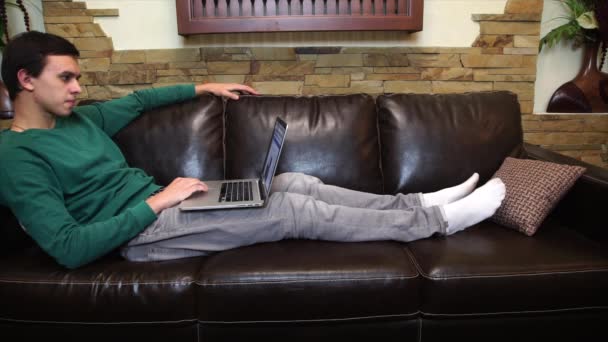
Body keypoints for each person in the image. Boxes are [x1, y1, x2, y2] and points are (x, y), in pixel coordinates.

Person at [0, 31, 506, 269]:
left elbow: (139, 99)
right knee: (289, 208)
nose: (76, 88)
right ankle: (438, 224)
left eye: (78, 78)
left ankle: (422, 202)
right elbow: (69, 248)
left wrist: (205, 87)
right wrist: (157, 200)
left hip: (167, 204)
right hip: (143, 232)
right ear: (25, 80)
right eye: (65, 78)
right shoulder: (16, 157)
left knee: (293, 182)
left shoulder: (80, 119)